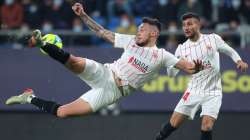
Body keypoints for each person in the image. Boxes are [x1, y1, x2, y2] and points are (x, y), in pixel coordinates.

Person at [5, 3, 202, 118]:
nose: (138, 31)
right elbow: (101, 32)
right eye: (139, 28)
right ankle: (42, 43)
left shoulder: (162, 56)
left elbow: (188, 67)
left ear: (154, 33)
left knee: (62, 113)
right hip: (105, 72)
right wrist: (83, 15)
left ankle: (29, 97)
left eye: (142, 29)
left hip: (111, 92)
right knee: (73, 61)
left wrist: (197, 65)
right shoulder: (131, 42)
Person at [154, 12, 248, 140]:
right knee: (174, 123)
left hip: (213, 92)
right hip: (193, 90)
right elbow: (171, 75)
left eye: (189, 24)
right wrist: (173, 64)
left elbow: (229, 50)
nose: (186, 27)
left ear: (198, 25)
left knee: (207, 126)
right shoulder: (181, 49)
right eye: (184, 25)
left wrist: (239, 61)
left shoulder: (213, 39)